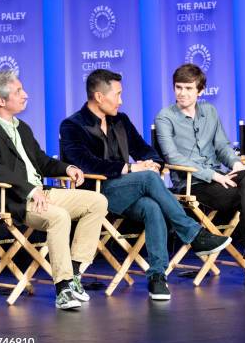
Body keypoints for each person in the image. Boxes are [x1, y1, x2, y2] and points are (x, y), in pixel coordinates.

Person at [60, 69, 231, 301]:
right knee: (148, 180)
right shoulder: (71, 125)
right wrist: (131, 168)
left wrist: (154, 163)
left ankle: (157, 277)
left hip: (126, 190)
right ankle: (194, 235)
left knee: (152, 206)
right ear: (99, 97)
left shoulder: (120, 120)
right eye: (117, 94)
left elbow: (144, 150)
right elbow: (85, 164)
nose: (121, 100)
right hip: (95, 194)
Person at [0, 71, 108, 310]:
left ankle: (74, 273)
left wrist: (68, 168)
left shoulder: (21, 127)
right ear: (1, 100)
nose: (26, 95)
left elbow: (41, 161)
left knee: (97, 201)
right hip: (13, 200)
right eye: (18, 91)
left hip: (41, 193)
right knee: (59, 217)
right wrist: (29, 191)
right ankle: (63, 288)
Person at [155, 64, 245, 289]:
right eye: (178, 87)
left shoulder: (210, 112)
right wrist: (212, 174)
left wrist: (235, 164)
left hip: (220, 178)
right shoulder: (165, 117)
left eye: (188, 88)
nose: (181, 93)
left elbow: (222, 145)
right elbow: (172, 157)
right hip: (192, 183)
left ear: (200, 91)